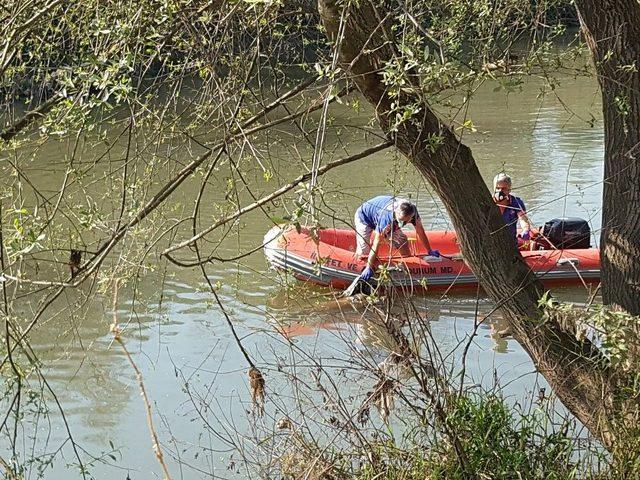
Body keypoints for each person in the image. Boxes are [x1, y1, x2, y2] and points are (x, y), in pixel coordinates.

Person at [354, 195, 439, 281]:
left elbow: (420, 231)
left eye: (405, 221)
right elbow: (376, 244)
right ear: (396, 213)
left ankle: (408, 268)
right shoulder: (386, 218)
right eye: (400, 221)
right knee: (364, 253)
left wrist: (429, 250)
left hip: (387, 217)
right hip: (364, 217)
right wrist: (369, 266)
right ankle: (363, 270)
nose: (402, 224)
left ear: (411, 217)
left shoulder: (413, 211)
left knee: (402, 241)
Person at [492, 173, 532, 244]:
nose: (500, 191)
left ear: (509, 189)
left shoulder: (516, 202)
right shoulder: (488, 202)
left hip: (511, 241)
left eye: (503, 188)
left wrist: (526, 230)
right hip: (493, 242)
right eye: (497, 188)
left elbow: (523, 218)